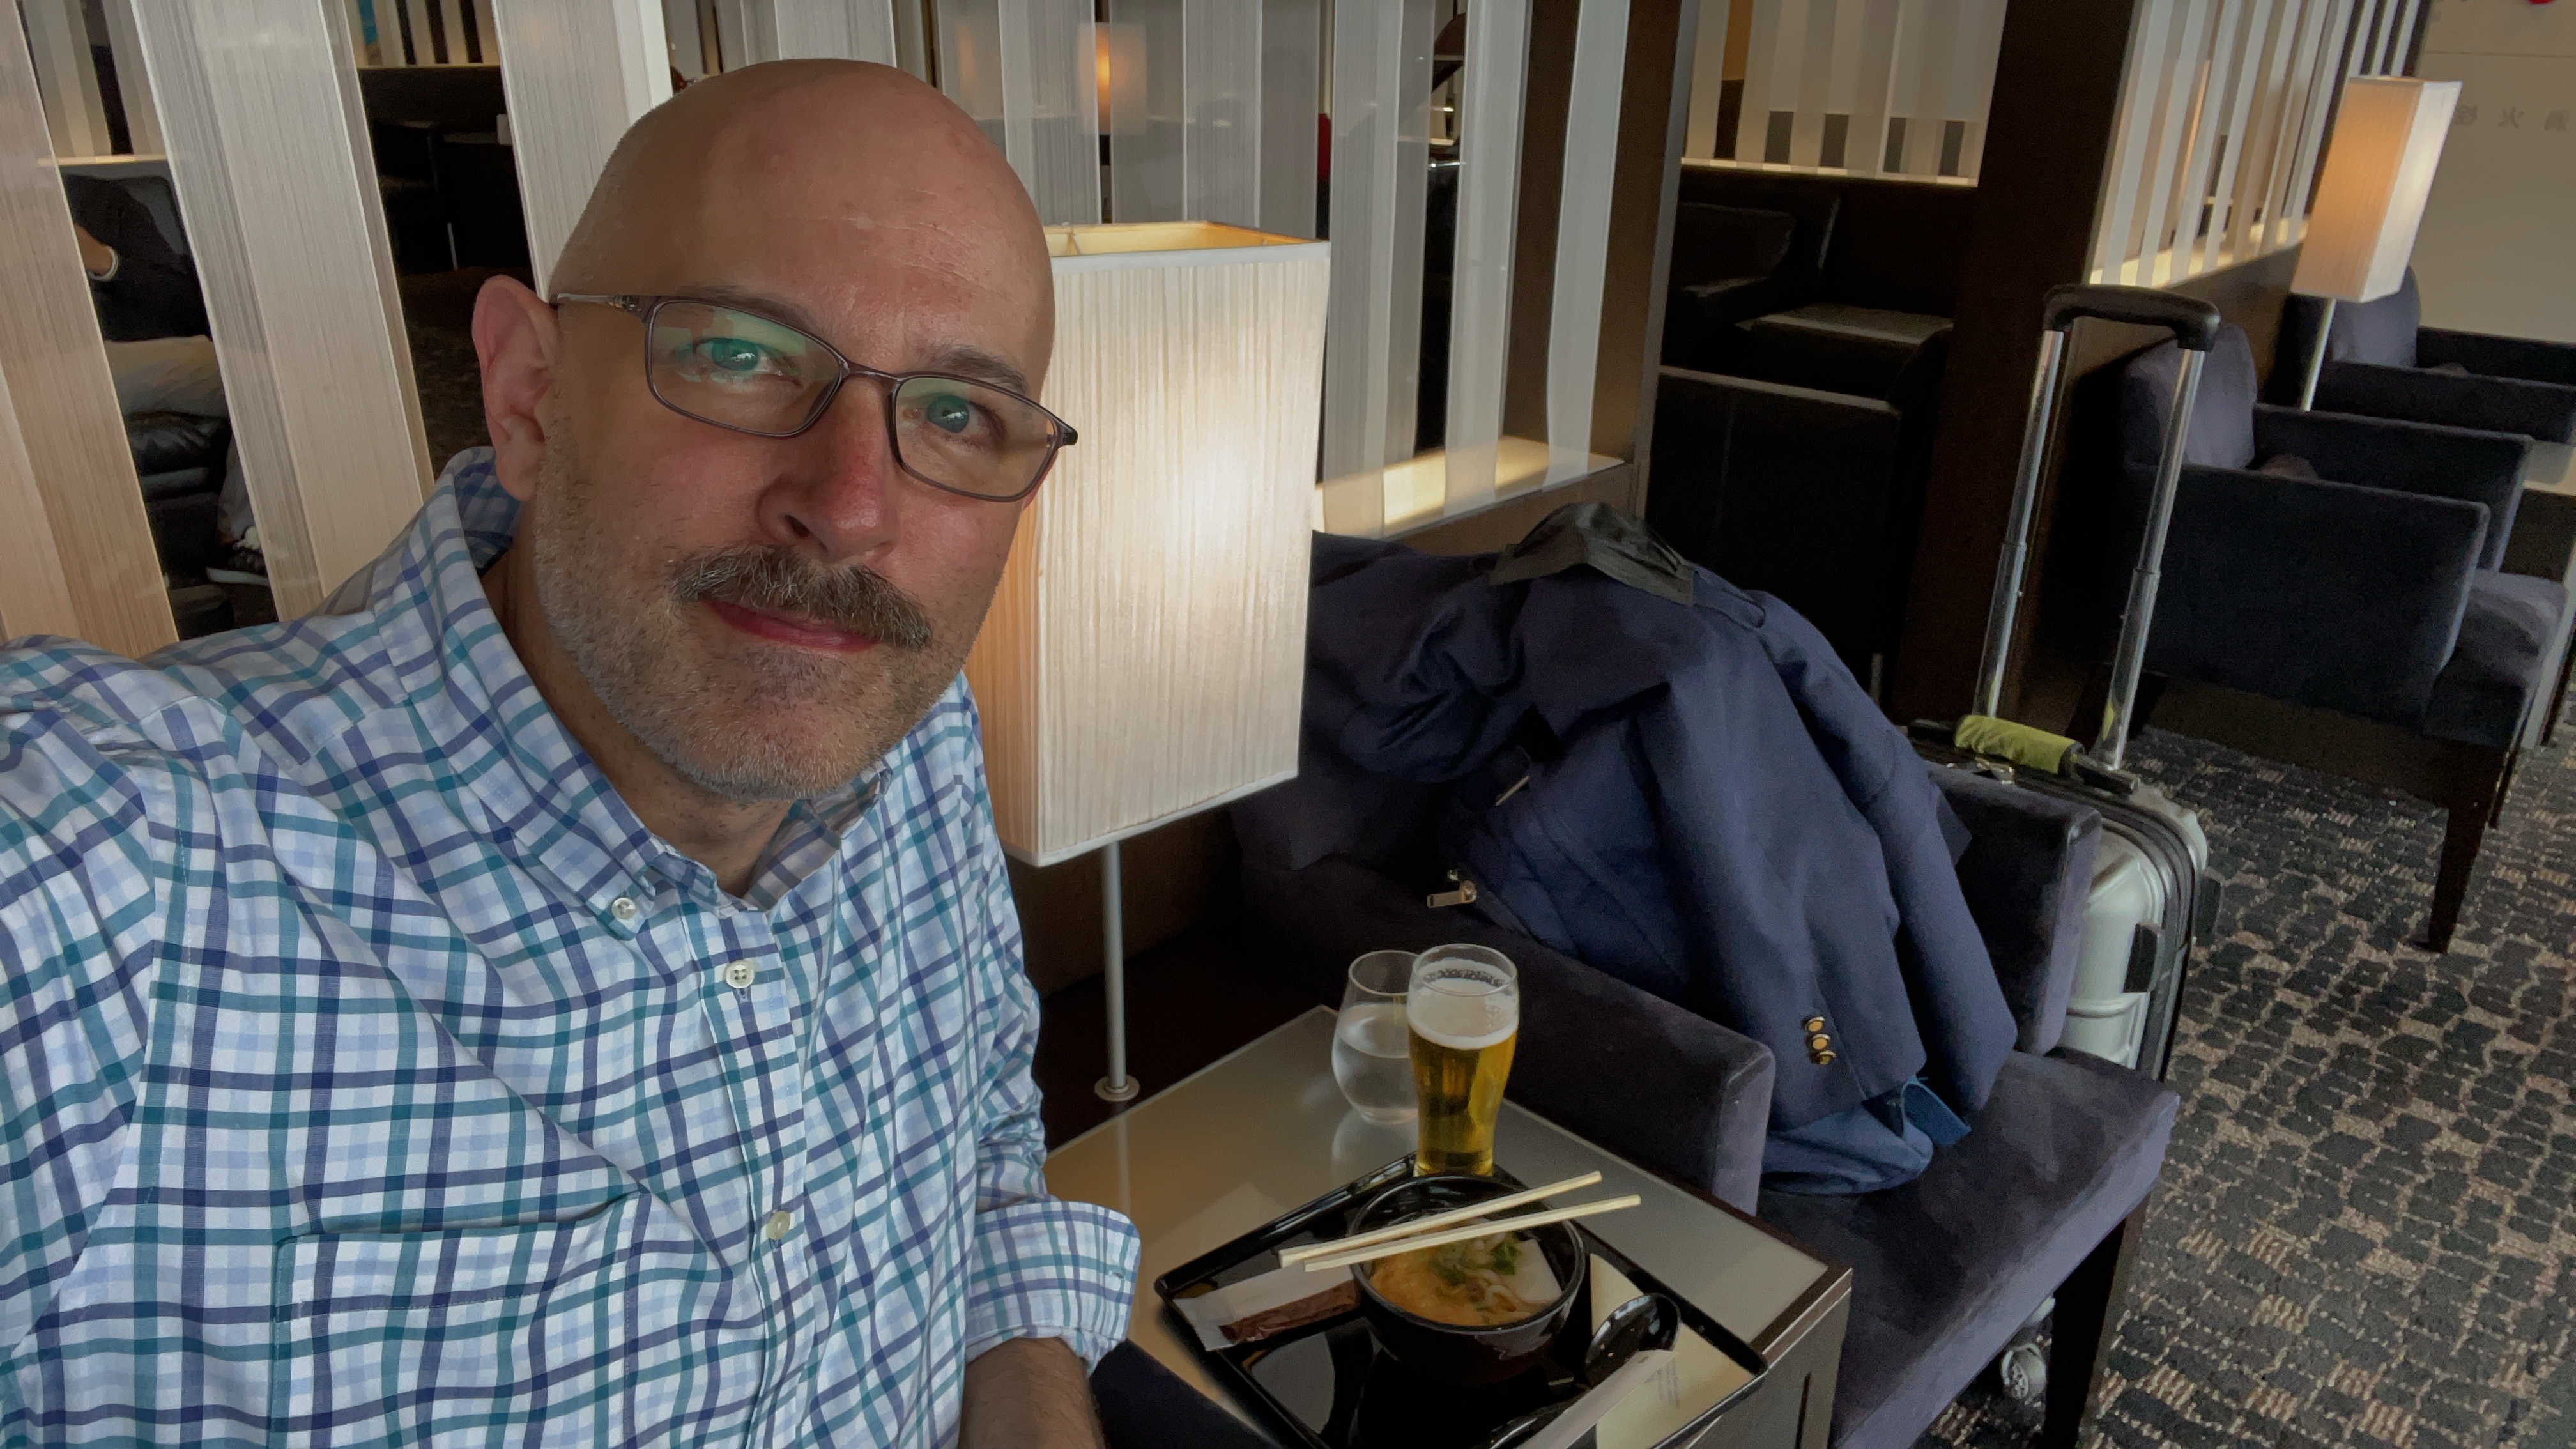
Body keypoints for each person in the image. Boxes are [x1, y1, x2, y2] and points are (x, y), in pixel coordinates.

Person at [0, 61, 1137, 1446]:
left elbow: (983, 1160)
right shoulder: (100, 876)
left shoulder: (906, 723)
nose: (851, 510)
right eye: (739, 354)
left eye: (957, 414)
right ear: (529, 394)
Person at [63, 172, 263, 582]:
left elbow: (181, 303)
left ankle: (239, 539)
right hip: (43, 363)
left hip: (136, 354)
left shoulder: (97, 199)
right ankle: (104, 572)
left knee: (265, 373)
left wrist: (105, 262)